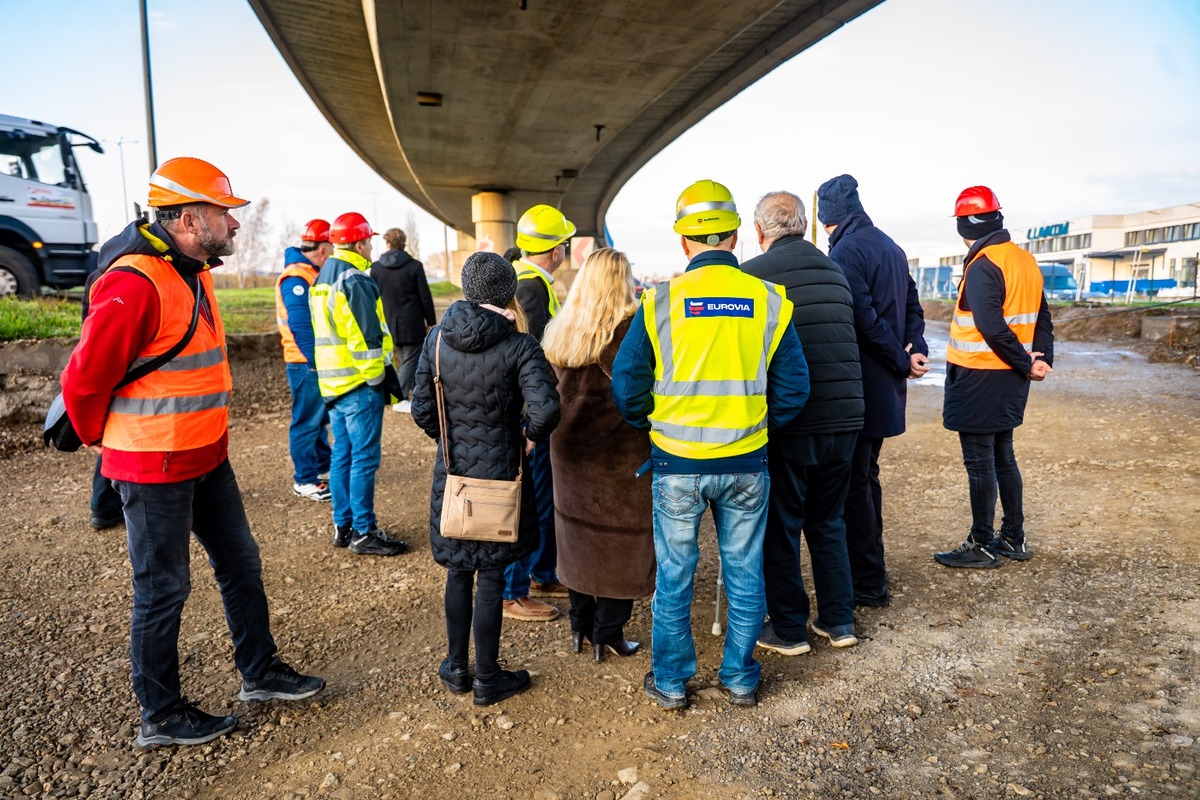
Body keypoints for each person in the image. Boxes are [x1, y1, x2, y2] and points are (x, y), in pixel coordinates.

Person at [59, 157, 325, 748]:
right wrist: (104, 444)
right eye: (223, 212)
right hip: (153, 465)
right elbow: (82, 382)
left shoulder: (195, 270)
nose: (234, 223)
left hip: (206, 456)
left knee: (241, 565)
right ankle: (161, 714)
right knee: (162, 591)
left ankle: (260, 673)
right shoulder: (134, 282)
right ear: (185, 218)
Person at [613, 179, 809, 709]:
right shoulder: (768, 301)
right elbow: (795, 389)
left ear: (683, 242)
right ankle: (740, 678)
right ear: (737, 236)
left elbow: (627, 385)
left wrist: (653, 426)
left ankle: (672, 681)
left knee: (675, 576)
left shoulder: (660, 303)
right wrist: (756, 428)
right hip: (747, 462)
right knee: (745, 570)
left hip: (677, 463)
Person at [411, 251, 561, 705]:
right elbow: (547, 409)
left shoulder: (437, 339)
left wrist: (451, 438)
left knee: (458, 572)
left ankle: (457, 669)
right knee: (492, 575)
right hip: (503, 477)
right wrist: (526, 440)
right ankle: (488, 678)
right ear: (507, 292)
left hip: (453, 475)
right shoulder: (520, 345)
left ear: (466, 288)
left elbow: (422, 409)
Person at [742, 191, 865, 653]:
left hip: (794, 419)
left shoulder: (752, 277)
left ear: (759, 232)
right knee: (829, 520)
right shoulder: (834, 270)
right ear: (805, 225)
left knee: (782, 523)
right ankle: (839, 621)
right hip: (847, 418)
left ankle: (789, 628)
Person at [817, 174, 929, 608]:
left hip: (860, 388)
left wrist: (904, 358)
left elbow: (861, 318)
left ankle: (867, 583)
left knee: (853, 489)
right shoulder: (890, 246)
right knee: (867, 480)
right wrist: (915, 349)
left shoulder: (845, 251)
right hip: (886, 392)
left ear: (831, 220)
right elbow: (912, 307)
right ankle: (871, 571)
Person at [541, 248, 653, 662]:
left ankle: (579, 626)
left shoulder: (562, 329)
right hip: (619, 456)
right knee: (620, 545)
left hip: (568, 453)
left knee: (577, 539)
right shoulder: (633, 329)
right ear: (622, 281)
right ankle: (609, 633)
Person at [934, 186, 1054, 568]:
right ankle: (1013, 539)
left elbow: (991, 327)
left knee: (980, 460)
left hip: (980, 376)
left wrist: (1025, 362)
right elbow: (1043, 318)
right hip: (1008, 379)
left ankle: (982, 544)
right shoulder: (1024, 260)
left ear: (965, 224)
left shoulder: (985, 264)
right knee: (1003, 454)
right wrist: (1039, 359)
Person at [310, 212, 408, 556]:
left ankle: (344, 525)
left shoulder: (324, 276)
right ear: (359, 242)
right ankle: (364, 532)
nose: (371, 247)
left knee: (342, 456)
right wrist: (377, 380)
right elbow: (365, 339)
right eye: (368, 241)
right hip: (359, 384)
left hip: (333, 384)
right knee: (364, 459)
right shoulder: (355, 280)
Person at [501, 204, 577, 621]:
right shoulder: (531, 287)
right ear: (556, 250)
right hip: (532, 416)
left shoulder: (532, 283)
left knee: (542, 498)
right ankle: (516, 590)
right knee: (530, 500)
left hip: (534, 411)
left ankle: (541, 573)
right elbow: (531, 360)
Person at [276, 219, 334, 502]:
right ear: (323, 249)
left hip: (308, 361)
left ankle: (322, 466)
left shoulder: (308, 272)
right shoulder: (298, 277)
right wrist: (316, 362)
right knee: (307, 421)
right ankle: (305, 479)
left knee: (318, 418)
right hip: (305, 362)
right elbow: (300, 325)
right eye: (332, 247)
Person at [370, 227, 436, 413]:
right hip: (412, 322)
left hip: (387, 321)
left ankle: (412, 393)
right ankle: (399, 398)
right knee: (409, 360)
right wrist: (430, 320)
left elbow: (372, 296)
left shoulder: (376, 268)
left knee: (404, 358)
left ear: (388, 243)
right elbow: (425, 296)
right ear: (404, 243)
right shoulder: (414, 266)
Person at [80, 267, 124, 530]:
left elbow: (88, 322)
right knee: (118, 439)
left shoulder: (98, 273)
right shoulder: (134, 273)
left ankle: (103, 508)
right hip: (126, 371)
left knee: (112, 438)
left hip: (104, 365)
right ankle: (105, 506)